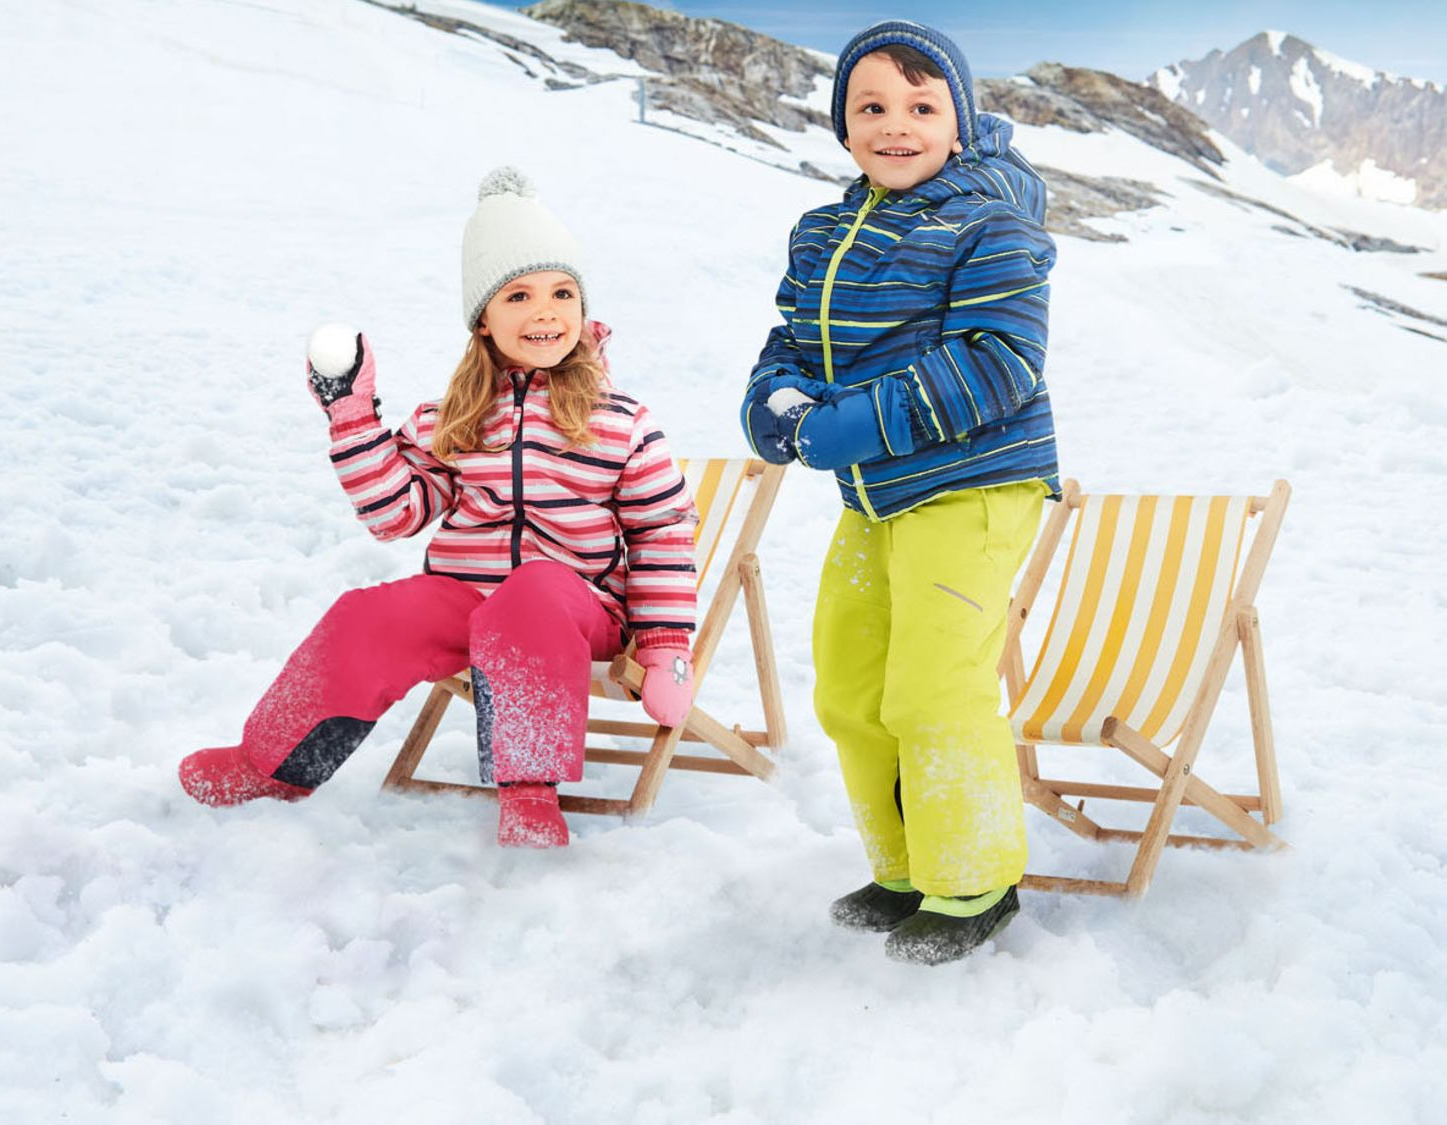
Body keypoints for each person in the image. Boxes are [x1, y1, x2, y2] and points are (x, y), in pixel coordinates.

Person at [180, 167, 699, 848]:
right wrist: (352, 416)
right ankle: (272, 765)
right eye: (519, 295)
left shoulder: (620, 421)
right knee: (368, 616)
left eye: (562, 293)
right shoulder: (453, 417)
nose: (546, 311)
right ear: (483, 319)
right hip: (466, 599)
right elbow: (395, 512)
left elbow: (661, 534)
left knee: (533, 593)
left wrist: (664, 648)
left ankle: (530, 790)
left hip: (576, 610)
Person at [740, 21, 1060, 963]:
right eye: (871, 106)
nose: (896, 125)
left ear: (959, 125)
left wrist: (845, 426)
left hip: (974, 485)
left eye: (922, 107)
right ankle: (907, 868)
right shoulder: (824, 232)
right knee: (849, 688)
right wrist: (772, 400)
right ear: (843, 127)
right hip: (878, 496)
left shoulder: (991, 222)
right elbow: (792, 341)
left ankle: (974, 881)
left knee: (935, 688)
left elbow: (999, 362)